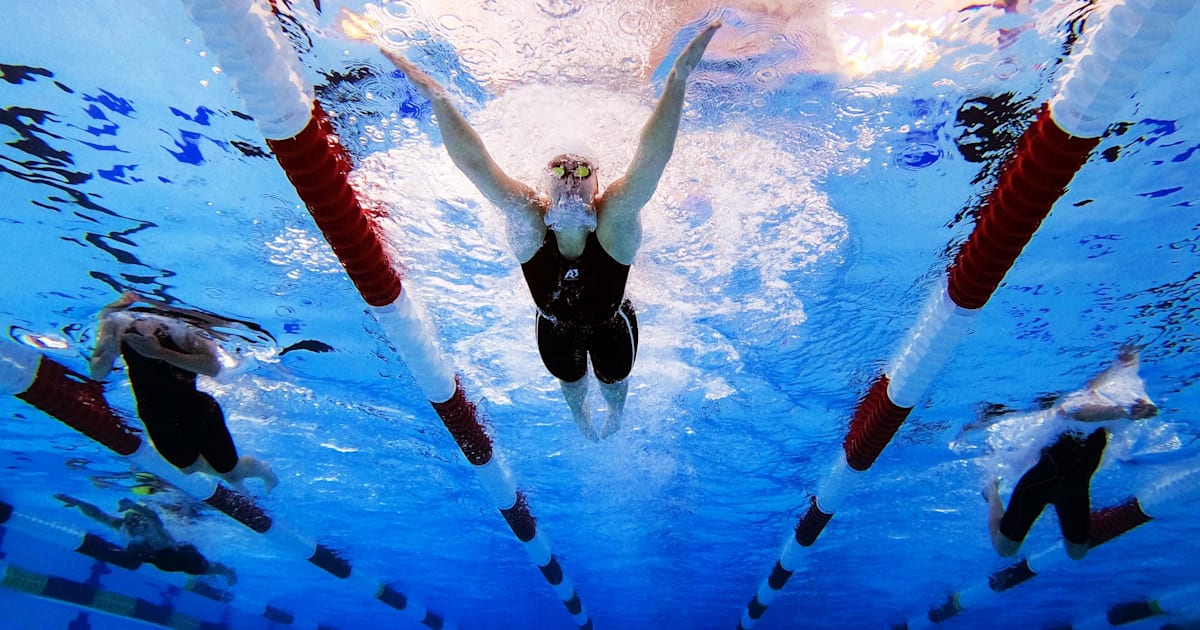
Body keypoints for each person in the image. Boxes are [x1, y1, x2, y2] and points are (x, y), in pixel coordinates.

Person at [378, 23, 721, 441]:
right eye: (559, 169)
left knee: (614, 384)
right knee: (572, 385)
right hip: (553, 329)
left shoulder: (614, 221)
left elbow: (652, 159)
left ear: (598, 184)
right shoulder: (527, 220)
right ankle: (582, 420)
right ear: (546, 184)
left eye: (582, 170)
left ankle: (613, 416)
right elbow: (476, 166)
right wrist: (439, 97)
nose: (570, 177)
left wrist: (677, 80)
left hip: (612, 324)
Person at [975, 345, 1158, 560]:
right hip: (1039, 485)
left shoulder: (1104, 401)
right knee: (1005, 550)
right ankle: (992, 492)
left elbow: (1107, 381)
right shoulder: (1071, 409)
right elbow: (1079, 414)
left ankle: (1084, 516)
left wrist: (1125, 365)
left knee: (1077, 554)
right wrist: (1122, 411)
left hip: (1075, 490)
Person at [90, 291, 277, 491]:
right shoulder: (119, 321)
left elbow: (212, 367)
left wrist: (159, 353)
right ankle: (237, 478)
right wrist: (106, 355)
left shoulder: (182, 327)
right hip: (154, 414)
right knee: (189, 468)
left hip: (196, 411)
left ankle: (262, 472)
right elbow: (97, 374)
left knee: (228, 472)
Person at [55, 493, 237, 585]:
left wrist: (134, 505)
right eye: (130, 520)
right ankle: (218, 573)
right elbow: (98, 515)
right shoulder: (123, 526)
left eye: (134, 520)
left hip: (180, 557)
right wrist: (78, 503)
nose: (131, 524)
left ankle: (227, 572)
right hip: (156, 559)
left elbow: (152, 518)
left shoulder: (154, 533)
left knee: (204, 568)